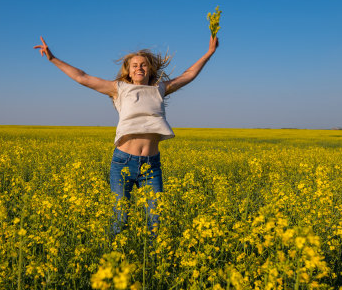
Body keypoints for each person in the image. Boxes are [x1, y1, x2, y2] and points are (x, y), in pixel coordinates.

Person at [34, 34, 218, 236]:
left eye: (144, 65)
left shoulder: (160, 89)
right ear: (128, 72)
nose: (139, 68)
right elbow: (82, 77)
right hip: (123, 162)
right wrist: (53, 59)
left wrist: (209, 52)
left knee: (156, 221)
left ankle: (151, 263)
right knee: (120, 220)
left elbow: (188, 75)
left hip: (151, 164)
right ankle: (114, 262)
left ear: (150, 69)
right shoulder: (119, 89)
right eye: (135, 65)